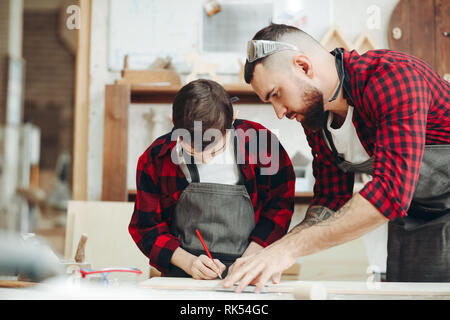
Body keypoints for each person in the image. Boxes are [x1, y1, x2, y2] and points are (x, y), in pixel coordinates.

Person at [222, 23, 450, 293]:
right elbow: (330, 201)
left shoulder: (394, 78)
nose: (279, 112)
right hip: (415, 217)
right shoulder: (317, 121)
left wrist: (290, 250)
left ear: (303, 67)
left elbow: (391, 192)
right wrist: (270, 252)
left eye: (276, 94)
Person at [129, 79, 295, 279]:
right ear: (172, 121)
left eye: (215, 149)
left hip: (250, 269)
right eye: (192, 150)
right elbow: (147, 227)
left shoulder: (262, 144)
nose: (205, 158)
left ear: (233, 119)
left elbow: (280, 206)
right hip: (183, 274)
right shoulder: (156, 158)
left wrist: (251, 258)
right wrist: (188, 263)